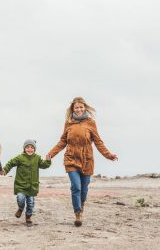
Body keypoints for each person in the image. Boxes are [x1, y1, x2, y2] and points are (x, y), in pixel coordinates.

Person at [46, 97, 118, 227]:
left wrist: (108, 155)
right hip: (71, 158)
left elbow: (98, 141)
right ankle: (77, 213)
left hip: (87, 160)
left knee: (84, 189)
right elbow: (63, 141)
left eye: (81, 107)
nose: (79, 109)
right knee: (76, 187)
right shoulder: (68, 123)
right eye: (76, 108)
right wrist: (52, 153)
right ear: (72, 109)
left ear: (85, 108)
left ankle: (81, 204)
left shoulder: (91, 123)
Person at [0, 140, 51, 226]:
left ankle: (28, 217)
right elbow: (11, 163)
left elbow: (44, 165)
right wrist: (5, 170)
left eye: (32, 147)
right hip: (21, 186)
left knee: (31, 203)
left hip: (32, 186)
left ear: (34, 149)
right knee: (20, 198)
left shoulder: (37, 158)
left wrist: (48, 161)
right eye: (27, 147)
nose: (29, 149)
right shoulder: (20, 157)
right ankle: (20, 208)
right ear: (24, 149)